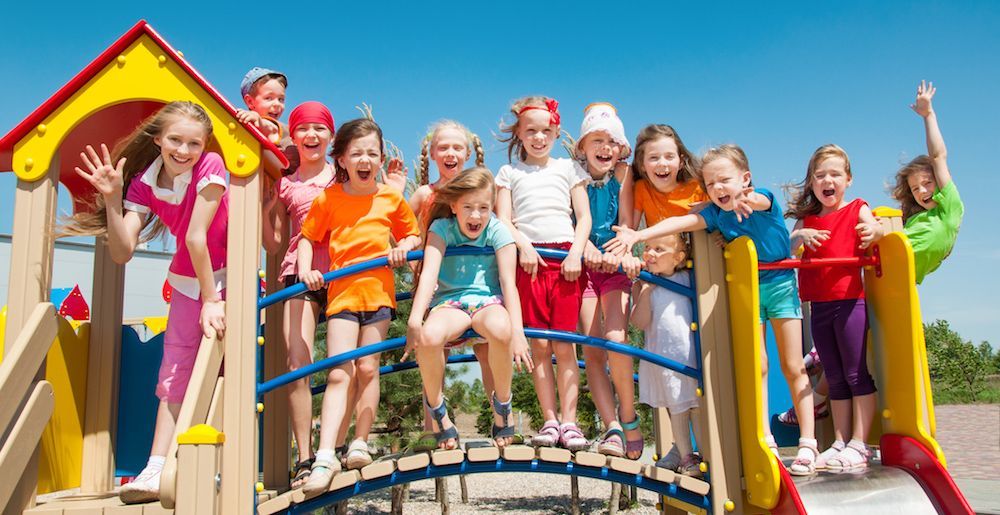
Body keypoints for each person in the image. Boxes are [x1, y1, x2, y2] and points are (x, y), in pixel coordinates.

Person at [604, 144, 818, 475]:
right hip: (746, 289)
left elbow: (760, 202)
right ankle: (766, 437)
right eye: (711, 183)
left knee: (792, 364)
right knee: (757, 365)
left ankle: (808, 443)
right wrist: (637, 235)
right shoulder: (716, 215)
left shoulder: (759, 197)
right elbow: (677, 222)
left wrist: (746, 199)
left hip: (779, 286)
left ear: (744, 178)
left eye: (725, 180)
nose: (718, 188)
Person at [62, 101, 228, 503]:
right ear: (157, 139)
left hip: (228, 278)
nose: (184, 151)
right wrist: (114, 199)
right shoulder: (143, 184)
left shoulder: (210, 167)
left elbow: (195, 236)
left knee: (226, 368)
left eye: (194, 143)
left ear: (204, 146)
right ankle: (156, 466)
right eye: (175, 140)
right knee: (173, 373)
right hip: (192, 281)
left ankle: (219, 465)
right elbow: (122, 251)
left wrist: (213, 300)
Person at [298, 119, 421, 494]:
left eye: (372, 153)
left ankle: (359, 443)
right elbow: (308, 237)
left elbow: (412, 233)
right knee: (340, 371)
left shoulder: (390, 197)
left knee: (369, 368)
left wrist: (403, 247)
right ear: (342, 159)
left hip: (378, 296)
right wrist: (306, 270)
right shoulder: (330, 198)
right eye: (356, 153)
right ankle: (323, 455)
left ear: (381, 159)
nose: (365, 160)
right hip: (342, 296)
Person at [405, 167, 533, 448]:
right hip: (451, 302)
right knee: (428, 337)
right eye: (468, 207)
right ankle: (439, 412)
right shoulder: (442, 228)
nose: (476, 215)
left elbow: (508, 282)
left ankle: (502, 408)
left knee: (502, 329)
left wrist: (518, 333)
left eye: (484, 208)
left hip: (488, 301)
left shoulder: (497, 229)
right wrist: (415, 318)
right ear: (454, 205)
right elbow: (429, 273)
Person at [495, 96, 592, 450]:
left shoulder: (567, 168)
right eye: (531, 131)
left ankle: (570, 422)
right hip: (529, 262)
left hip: (565, 258)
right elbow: (503, 219)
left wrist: (576, 254)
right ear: (518, 134)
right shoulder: (509, 173)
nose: (539, 137)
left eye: (546, 130)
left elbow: (583, 218)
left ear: (555, 131)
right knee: (539, 345)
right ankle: (549, 420)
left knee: (565, 345)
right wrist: (523, 245)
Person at [786, 144, 883, 471]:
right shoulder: (807, 218)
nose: (827, 180)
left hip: (850, 301)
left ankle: (860, 443)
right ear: (812, 183)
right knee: (835, 376)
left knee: (856, 373)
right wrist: (799, 236)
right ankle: (840, 441)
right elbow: (787, 247)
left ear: (848, 179)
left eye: (834, 174)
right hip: (819, 305)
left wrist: (876, 231)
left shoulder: (857, 208)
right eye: (820, 175)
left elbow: (877, 230)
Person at [260, 101, 336, 487]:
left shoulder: (343, 175)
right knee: (297, 362)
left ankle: (332, 448)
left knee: (346, 362)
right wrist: (266, 209)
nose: (311, 135)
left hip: (341, 271)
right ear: (293, 136)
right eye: (303, 129)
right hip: (298, 272)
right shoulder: (285, 182)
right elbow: (274, 243)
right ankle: (304, 456)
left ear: (330, 135)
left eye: (319, 129)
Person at [573, 103, 643, 458]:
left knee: (616, 338)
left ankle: (629, 417)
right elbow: (572, 223)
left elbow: (628, 222)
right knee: (592, 347)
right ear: (583, 146)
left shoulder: (624, 176)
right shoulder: (574, 177)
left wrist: (622, 250)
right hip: (584, 266)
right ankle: (611, 426)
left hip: (614, 264)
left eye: (611, 141)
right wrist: (584, 248)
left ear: (620, 148)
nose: (605, 147)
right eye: (597, 140)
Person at [631, 234, 704, 478]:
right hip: (663, 358)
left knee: (695, 406)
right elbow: (639, 322)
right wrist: (645, 292)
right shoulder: (644, 283)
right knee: (677, 407)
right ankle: (686, 455)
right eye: (648, 248)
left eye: (658, 249)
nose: (650, 253)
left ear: (678, 257)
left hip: (690, 356)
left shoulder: (687, 279)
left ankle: (702, 454)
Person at [892, 81, 963, 285]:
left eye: (927, 183)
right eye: (915, 188)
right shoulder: (917, 219)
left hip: (898, 283)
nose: (922, 191)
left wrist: (928, 115)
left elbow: (938, 156)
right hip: (882, 266)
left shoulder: (949, 208)